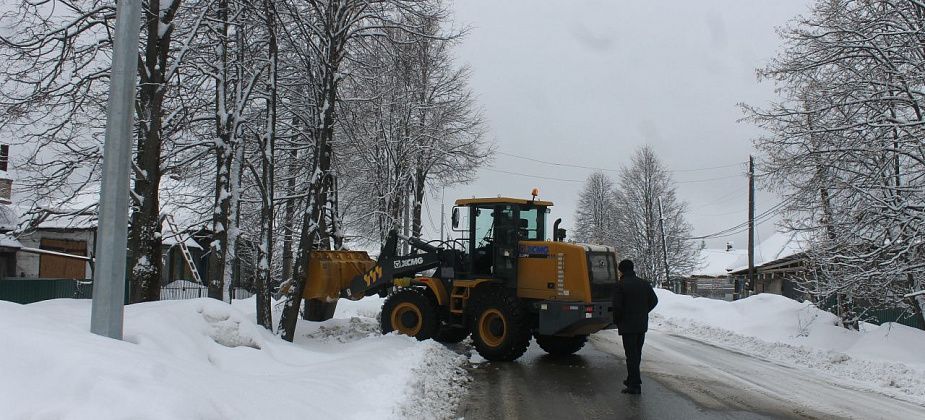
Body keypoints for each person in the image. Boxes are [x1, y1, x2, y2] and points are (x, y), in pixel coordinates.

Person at [612, 259, 658, 395]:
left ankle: (634, 385)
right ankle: (632, 379)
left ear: (621, 270)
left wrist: (618, 320)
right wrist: (643, 312)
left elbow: (617, 307)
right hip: (641, 324)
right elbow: (654, 300)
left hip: (628, 326)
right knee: (637, 354)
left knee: (631, 355)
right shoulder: (644, 284)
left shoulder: (620, 286)